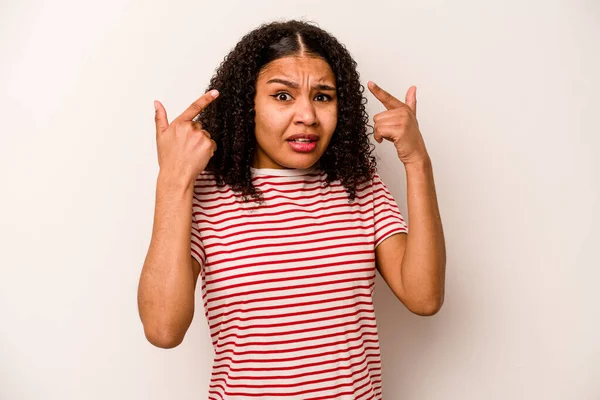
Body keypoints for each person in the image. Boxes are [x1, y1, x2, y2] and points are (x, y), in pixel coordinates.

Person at [138, 19, 446, 400]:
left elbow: (425, 297)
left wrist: (418, 162)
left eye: (322, 96)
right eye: (282, 96)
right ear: (245, 104)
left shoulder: (359, 186)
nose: (308, 116)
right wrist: (173, 180)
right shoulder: (203, 194)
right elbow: (163, 330)